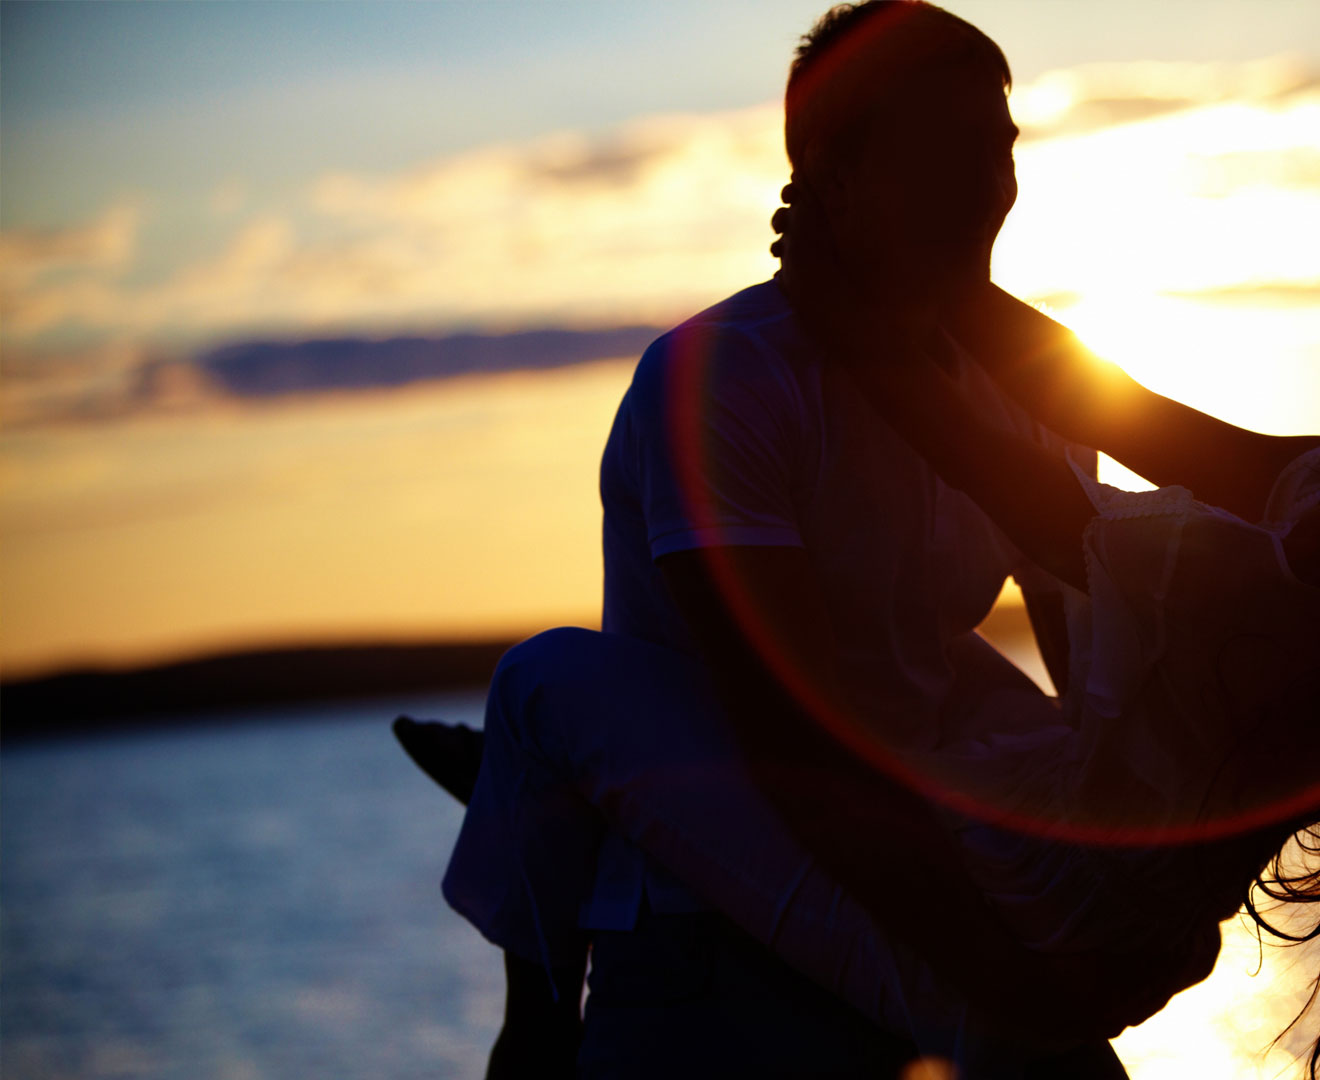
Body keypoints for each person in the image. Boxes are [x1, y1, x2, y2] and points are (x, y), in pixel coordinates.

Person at [399, 2, 1128, 1076]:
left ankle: (521, 785)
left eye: (1002, 145)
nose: (990, 186)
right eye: (947, 150)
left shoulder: (1041, 378)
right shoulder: (723, 380)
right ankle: (539, 793)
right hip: (707, 944)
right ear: (833, 176)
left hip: (922, 871)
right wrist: (1001, 971)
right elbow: (787, 727)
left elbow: (1101, 668)